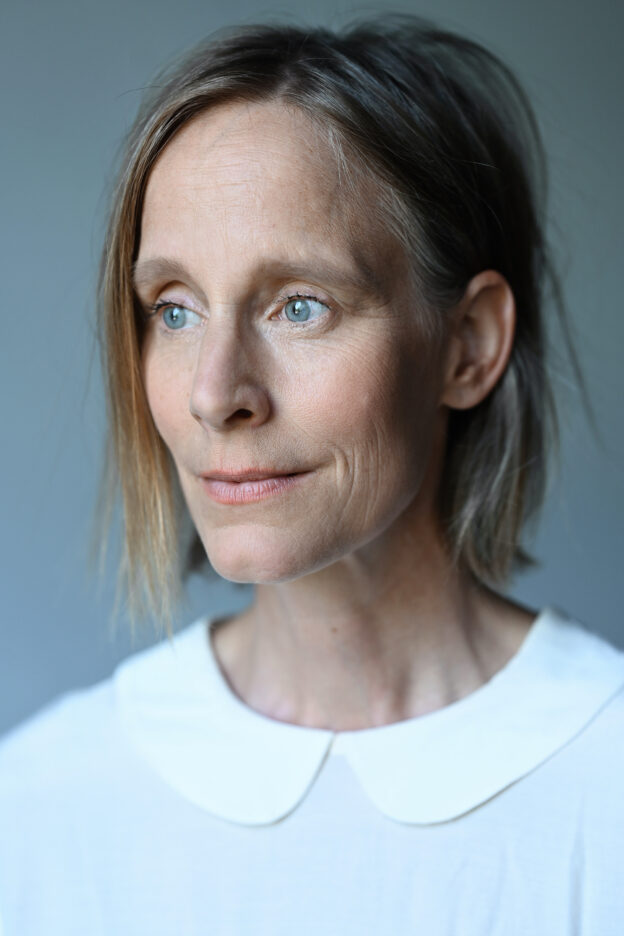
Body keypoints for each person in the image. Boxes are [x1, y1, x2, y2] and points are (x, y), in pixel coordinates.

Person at [1, 15, 622, 935]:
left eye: (300, 306)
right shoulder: (38, 812)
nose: (216, 394)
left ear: (469, 345)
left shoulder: (604, 784)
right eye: (174, 310)